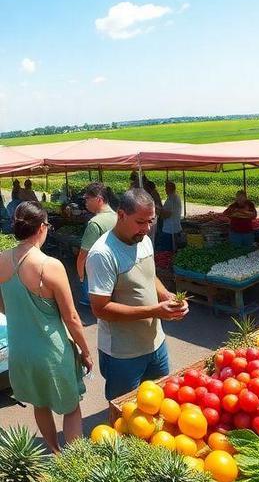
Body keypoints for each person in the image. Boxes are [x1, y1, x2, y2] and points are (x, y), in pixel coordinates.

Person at [0, 202, 91, 452]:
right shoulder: (49, 266)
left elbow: (3, 305)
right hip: (51, 353)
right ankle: (75, 462)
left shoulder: (1, 261)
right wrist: (86, 351)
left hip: (20, 352)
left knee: (40, 404)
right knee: (71, 408)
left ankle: (54, 451)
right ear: (41, 227)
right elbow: (71, 317)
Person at [88, 189, 188, 400]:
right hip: (123, 354)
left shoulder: (143, 240)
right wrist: (154, 311)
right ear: (121, 215)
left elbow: (150, 276)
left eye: (150, 221)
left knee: (160, 401)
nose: (147, 228)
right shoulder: (102, 254)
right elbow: (100, 308)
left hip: (155, 344)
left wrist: (166, 295)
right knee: (125, 411)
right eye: (141, 222)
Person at [75, 182, 118, 308]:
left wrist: (81, 274)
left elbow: (84, 254)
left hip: (98, 272)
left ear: (99, 200)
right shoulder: (118, 217)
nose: (85, 202)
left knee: (96, 306)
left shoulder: (94, 224)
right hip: (116, 269)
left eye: (87, 199)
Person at [160, 181, 184, 250]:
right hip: (175, 227)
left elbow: (167, 214)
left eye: (166, 188)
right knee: (173, 249)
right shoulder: (175, 197)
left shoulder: (171, 199)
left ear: (170, 188)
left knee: (168, 251)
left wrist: (160, 212)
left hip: (170, 229)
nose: (165, 190)